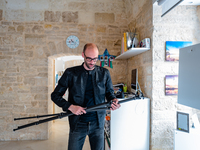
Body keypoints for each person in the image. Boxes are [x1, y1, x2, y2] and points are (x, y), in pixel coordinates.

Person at [51, 43, 121, 150]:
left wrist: (113, 100)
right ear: (83, 55)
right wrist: (70, 106)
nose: (92, 62)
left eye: (95, 59)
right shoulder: (70, 73)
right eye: (89, 59)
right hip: (78, 123)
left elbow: (110, 93)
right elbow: (55, 95)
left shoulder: (104, 73)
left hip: (98, 123)